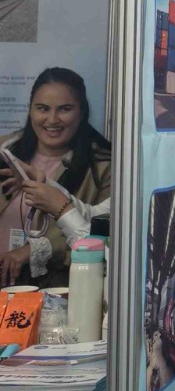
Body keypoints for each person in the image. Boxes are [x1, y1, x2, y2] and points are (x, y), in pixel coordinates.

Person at [0, 68, 111, 286]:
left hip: (56, 291)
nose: (52, 120)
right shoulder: (6, 150)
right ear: (30, 110)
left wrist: (35, 250)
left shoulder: (104, 166)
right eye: (42, 108)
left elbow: (102, 237)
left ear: (82, 112)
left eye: (65, 109)